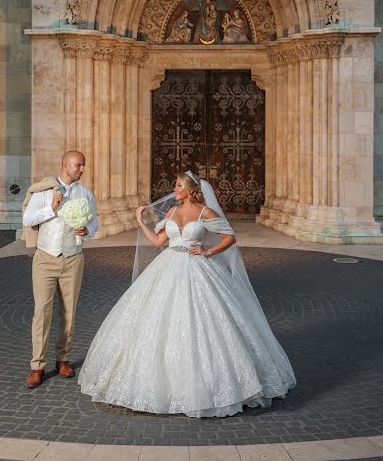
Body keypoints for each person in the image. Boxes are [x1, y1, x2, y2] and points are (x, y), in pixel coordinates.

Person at [78, 171, 295, 417]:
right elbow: (159, 242)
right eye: (175, 184)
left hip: (197, 267)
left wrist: (208, 251)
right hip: (168, 265)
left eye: (178, 185)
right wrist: (140, 222)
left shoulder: (205, 213)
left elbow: (230, 237)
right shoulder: (171, 212)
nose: (174, 188)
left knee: (205, 320)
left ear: (191, 189)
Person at [23, 150, 98, 388]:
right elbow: (27, 219)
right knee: (41, 312)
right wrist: (51, 208)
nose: (82, 169)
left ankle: (63, 359)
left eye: (83, 166)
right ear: (65, 165)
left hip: (73, 258)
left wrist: (87, 231)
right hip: (45, 258)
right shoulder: (44, 191)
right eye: (78, 165)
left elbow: (95, 221)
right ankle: (37, 366)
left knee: (69, 312)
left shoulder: (85, 193)